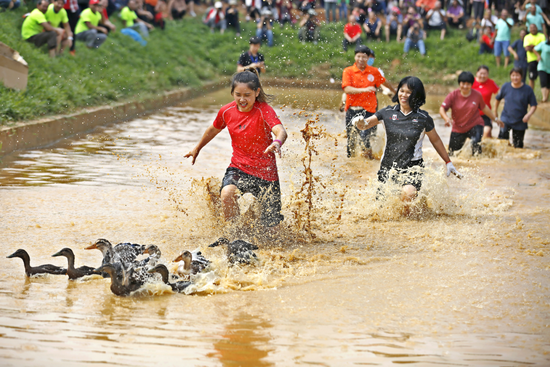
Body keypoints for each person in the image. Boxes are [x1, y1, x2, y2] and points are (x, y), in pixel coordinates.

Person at [184, 69, 287, 228]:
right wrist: (197, 148)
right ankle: (235, 235)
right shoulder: (226, 111)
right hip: (240, 168)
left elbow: (281, 131)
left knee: (271, 231)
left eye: (247, 95)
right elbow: (213, 129)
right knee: (227, 194)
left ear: (257, 92)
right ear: (232, 93)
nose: (242, 99)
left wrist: (277, 143)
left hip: (266, 173)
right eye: (238, 94)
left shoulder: (264, 110)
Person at [354, 76, 461, 202]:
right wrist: (359, 122)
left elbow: (436, 140)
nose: (404, 95)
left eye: (409, 92)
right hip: (388, 166)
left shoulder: (423, 118)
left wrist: (448, 162)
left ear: (416, 95)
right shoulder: (387, 113)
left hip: (412, 168)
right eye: (402, 90)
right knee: (384, 206)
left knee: (408, 193)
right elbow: (365, 125)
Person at [341, 45, 396, 158]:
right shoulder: (348, 71)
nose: (361, 59)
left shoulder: (374, 71)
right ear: (355, 57)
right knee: (351, 141)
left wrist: (396, 91)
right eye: (359, 56)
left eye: (364, 57)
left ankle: (369, 161)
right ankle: (352, 164)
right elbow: (347, 89)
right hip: (352, 109)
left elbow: (384, 82)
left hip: (369, 110)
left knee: (364, 137)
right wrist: (365, 89)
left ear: (368, 58)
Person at [440, 71, 500, 156]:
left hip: (475, 125)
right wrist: (446, 119)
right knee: (452, 154)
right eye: (463, 83)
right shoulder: (453, 95)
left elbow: (485, 108)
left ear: (472, 84)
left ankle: (477, 164)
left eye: (468, 84)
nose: (465, 86)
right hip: (458, 128)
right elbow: (442, 109)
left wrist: (495, 119)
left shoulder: (477, 95)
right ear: (459, 83)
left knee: (476, 146)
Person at [495, 67, 537, 148]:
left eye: (517, 75)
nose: (515, 78)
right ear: (510, 76)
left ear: (521, 76)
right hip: (506, 118)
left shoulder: (527, 89)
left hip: (520, 120)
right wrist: (495, 112)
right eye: (513, 75)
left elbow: (533, 105)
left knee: (518, 145)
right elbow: (497, 99)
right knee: (502, 141)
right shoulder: (506, 86)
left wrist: (528, 115)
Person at [472, 65, 500, 138]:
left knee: (487, 132)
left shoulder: (491, 83)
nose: (482, 75)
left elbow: (500, 94)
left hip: (486, 113)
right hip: (472, 114)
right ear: (477, 73)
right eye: (481, 73)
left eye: (485, 74)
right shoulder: (471, 82)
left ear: (488, 74)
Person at [524, 23, 546, 90]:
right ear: (529, 29)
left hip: (542, 60)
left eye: (534, 27)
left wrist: (533, 46)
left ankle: (544, 96)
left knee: (544, 78)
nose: (533, 29)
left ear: (537, 28)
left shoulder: (542, 36)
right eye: (531, 28)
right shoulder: (527, 37)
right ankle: (531, 94)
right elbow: (527, 49)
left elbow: (544, 47)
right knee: (531, 77)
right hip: (531, 60)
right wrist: (538, 46)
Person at [534, 37, 550, 102]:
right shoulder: (543, 44)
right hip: (542, 66)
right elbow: (534, 49)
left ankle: (546, 98)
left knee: (549, 83)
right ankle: (544, 97)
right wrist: (538, 56)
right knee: (543, 81)